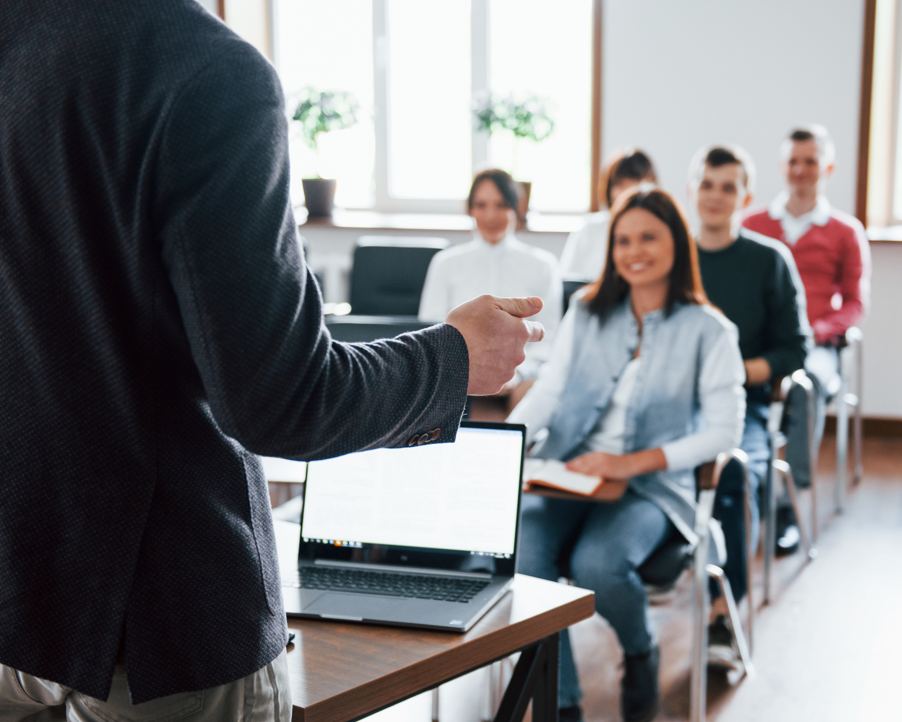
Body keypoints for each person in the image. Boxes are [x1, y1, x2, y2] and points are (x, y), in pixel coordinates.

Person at [0, 2, 544, 720]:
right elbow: (282, 402)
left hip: (19, 587)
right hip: (165, 622)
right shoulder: (204, 71)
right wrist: (452, 358)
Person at [508, 187, 745, 722]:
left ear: (677, 245)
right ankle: (561, 702)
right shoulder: (589, 309)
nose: (634, 250)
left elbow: (724, 432)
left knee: (600, 563)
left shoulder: (710, 330)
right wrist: (506, 446)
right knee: (526, 555)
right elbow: (550, 388)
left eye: (648, 238)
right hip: (570, 470)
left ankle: (640, 651)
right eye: (623, 240)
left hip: (651, 487)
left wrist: (630, 463)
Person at [687, 145, 812, 671]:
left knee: (733, 475)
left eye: (728, 187)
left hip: (745, 406)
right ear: (693, 189)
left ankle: (723, 610)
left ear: (746, 196)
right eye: (707, 184)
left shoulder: (769, 261)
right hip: (670, 408)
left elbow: (794, 350)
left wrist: (733, 373)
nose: (715, 196)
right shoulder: (670, 258)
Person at [742, 124, 871, 553]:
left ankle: (783, 501)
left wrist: (820, 330)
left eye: (810, 162)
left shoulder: (845, 231)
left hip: (815, 345)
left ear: (827, 167)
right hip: (760, 344)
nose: (800, 170)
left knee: (806, 384)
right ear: (782, 166)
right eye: (793, 162)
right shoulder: (753, 224)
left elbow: (855, 303)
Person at [419, 169, 562, 409]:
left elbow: (550, 338)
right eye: (481, 205)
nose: (490, 215)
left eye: (501, 205)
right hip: (458, 378)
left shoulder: (542, 265)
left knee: (536, 397)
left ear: (516, 208)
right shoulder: (446, 263)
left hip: (520, 379)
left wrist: (517, 374)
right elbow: (430, 328)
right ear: (470, 209)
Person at [558, 148, 658, 280]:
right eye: (620, 184)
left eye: (634, 183)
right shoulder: (589, 230)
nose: (628, 192)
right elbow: (567, 281)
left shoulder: (659, 230)